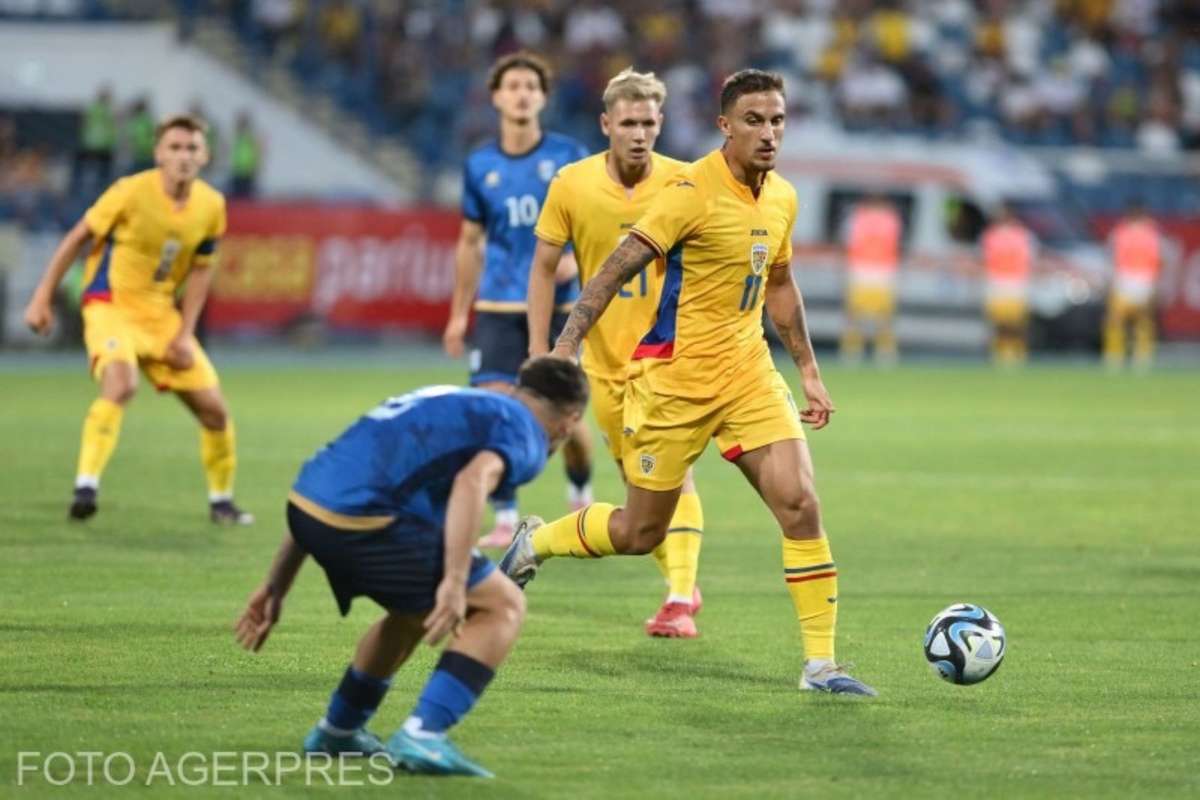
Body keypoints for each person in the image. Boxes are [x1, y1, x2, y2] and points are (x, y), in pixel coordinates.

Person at [501, 70, 876, 696]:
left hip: (749, 374)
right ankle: (536, 542)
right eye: (754, 120)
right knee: (639, 532)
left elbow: (780, 286)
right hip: (673, 383)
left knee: (800, 504)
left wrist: (809, 372)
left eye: (777, 120)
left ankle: (821, 666)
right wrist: (564, 347)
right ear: (725, 125)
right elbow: (613, 271)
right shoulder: (688, 192)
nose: (768, 133)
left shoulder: (782, 197)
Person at [234, 357, 590, 778]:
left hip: (306, 507)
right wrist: (454, 581)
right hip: (364, 518)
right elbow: (473, 482)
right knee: (502, 604)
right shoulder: (527, 430)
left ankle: (338, 730)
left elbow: (337, 476)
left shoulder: (461, 402)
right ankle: (424, 734)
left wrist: (276, 585)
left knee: (411, 613)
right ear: (570, 421)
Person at [527, 67, 707, 639]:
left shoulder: (686, 183)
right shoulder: (572, 185)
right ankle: (681, 587)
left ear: (661, 124)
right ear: (606, 124)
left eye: (648, 123)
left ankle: (679, 598)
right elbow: (542, 269)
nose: (639, 133)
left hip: (670, 359)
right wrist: (540, 351)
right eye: (628, 123)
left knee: (675, 475)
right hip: (604, 365)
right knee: (641, 490)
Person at [23, 114, 252, 525]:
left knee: (215, 411)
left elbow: (202, 270)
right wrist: (42, 297)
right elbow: (78, 237)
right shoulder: (129, 192)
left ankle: (222, 503)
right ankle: (85, 488)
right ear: (159, 153)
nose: (184, 155)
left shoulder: (211, 206)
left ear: (205, 156)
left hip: (161, 316)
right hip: (111, 305)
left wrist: (185, 334)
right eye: (175, 147)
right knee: (122, 383)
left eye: (192, 148)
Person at [442, 50, 594, 548]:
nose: (522, 94)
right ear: (496, 97)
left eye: (531, 86)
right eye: (513, 86)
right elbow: (469, 243)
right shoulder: (479, 164)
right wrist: (458, 314)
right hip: (499, 305)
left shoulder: (570, 155)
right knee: (495, 408)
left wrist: (577, 260)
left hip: (560, 307)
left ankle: (580, 491)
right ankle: (505, 515)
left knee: (567, 422)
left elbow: (596, 223)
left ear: (544, 97)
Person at [840, 192, 902, 363]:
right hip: (882, 271)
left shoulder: (856, 218)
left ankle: (852, 351)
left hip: (861, 270)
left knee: (856, 315)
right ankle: (884, 352)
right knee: (883, 316)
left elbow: (848, 244)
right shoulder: (891, 219)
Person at [1104, 200, 1162, 370]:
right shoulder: (1132, 232)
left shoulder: (1139, 233)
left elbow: (1155, 260)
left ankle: (1126, 356)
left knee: (1130, 321)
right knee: (1128, 321)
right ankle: (1128, 356)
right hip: (1133, 280)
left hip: (1135, 280)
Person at [980, 205, 1036, 366]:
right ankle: (1005, 354)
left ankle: (1013, 353)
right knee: (1004, 323)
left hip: (1011, 283)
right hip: (1002, 282)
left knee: (1013, 323)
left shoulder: (1019, 236)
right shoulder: (994, 236)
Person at [230, 111, 262, 199]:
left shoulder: (250, 137)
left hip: (247, 171)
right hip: (237, 170)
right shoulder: (237, 137)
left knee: (246, 196)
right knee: (237, 196)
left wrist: (256, 166)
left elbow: (256, 152)